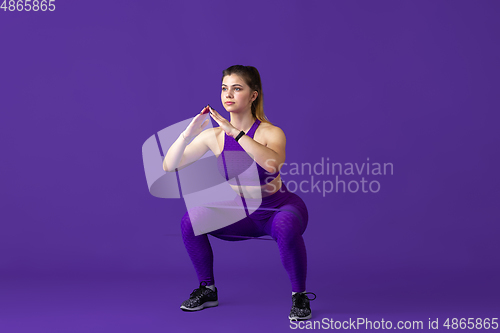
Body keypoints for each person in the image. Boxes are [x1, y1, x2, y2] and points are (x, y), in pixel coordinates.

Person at [163, 65, 315, 320]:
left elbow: (272, 164)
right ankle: (207, 289)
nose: (228, 94)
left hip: (278, 209)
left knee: (287, 225)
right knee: (190, 221)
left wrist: (237, 133)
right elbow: (169, 165)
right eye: (224, 88)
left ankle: (299, 296)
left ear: (253, 95)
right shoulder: (214, 136)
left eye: (237, 88)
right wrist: (188, 133)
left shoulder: (270, 132)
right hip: (242, 212)